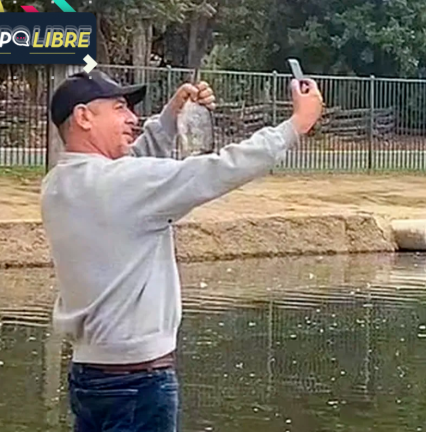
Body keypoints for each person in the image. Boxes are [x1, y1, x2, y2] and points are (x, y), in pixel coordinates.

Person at [40, 70, 324, 431]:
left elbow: (129, 168)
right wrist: (296, 124)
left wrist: (172, 117)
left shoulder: (58, 185)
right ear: (83, 117)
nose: (132, 118)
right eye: (119, 108)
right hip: (138, 383)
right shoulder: (124, 185)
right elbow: (218, 170)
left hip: (91, 376)